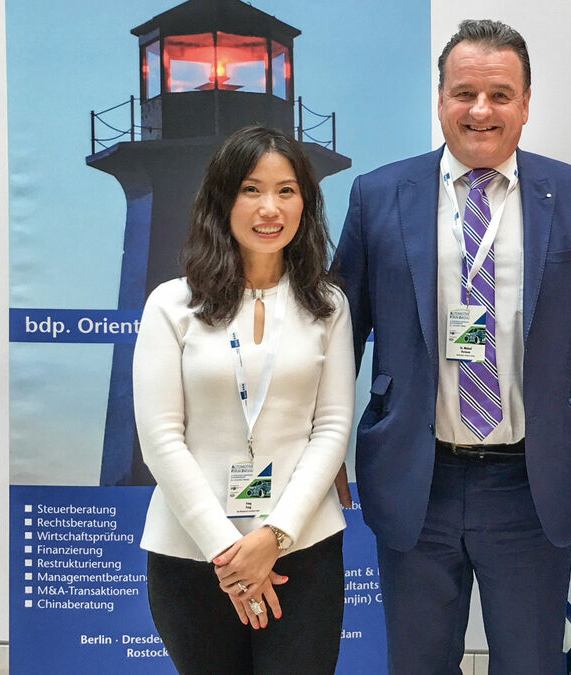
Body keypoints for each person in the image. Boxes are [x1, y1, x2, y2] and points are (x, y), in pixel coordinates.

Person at [333, 18, 571, 674]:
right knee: (416, 663)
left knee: (529, 663)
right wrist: (326, 452)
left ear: (526, 104)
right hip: (415, 476)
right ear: (439, 100)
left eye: (500, 93)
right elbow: (337, 333)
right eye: (464, 93)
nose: (481, 110)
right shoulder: (379, 195)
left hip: (531, 479)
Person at [133, 126, 354, 674]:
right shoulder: (171, 304)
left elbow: (331, 428)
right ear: (222, 198)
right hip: (192, 553)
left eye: (286, 190)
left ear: (306, 200)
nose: (269, 208)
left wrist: (273, 538)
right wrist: (230, 556)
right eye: (251, 189)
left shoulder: (327, 305)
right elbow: (161, 438)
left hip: (303, 550)